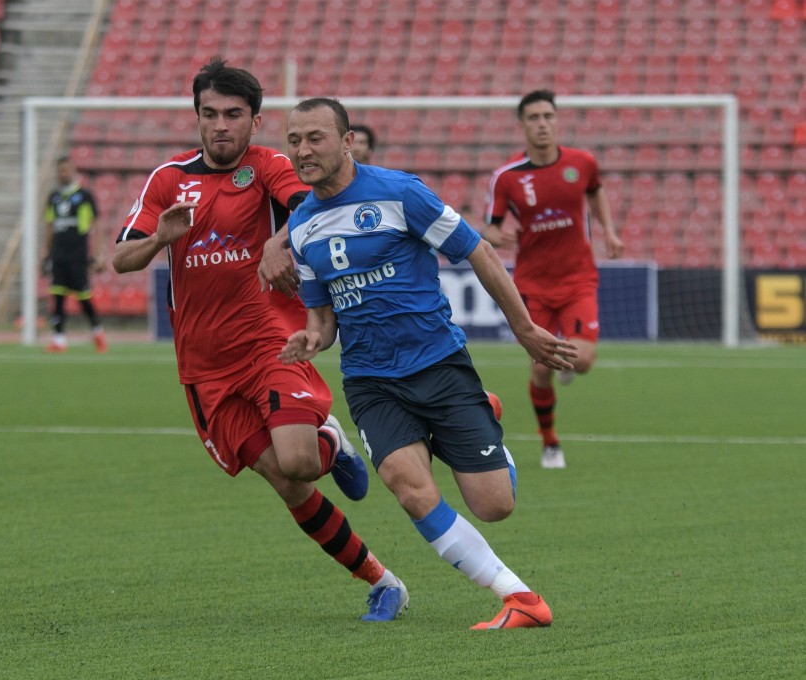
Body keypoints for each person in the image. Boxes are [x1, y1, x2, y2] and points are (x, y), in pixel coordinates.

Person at [111, 58, 407, 621]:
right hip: (203, 368)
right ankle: (383, 581)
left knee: (297, 461)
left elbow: (311, 205)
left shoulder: (270, 165)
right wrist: (159, 242)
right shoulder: (168, 180)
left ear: (254, 121)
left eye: (233, 115)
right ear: (196, 117)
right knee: (286, 483)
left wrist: (278, 241)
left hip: (269, 341)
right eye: (209, 114)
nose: (220, 125)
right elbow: (121, 257)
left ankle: (327, 441)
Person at [280, 97, 577, 630]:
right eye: (294, 140)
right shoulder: (300, 229)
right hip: (370, 380)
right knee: (409, 487)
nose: (303, 151)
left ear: (347, 141)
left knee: (494, 506)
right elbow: (322, 320)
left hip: (437, 364)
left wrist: (525, 328)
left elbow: (479, 252)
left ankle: (484, 415)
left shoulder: (400, 193)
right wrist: (311, 339)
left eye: (315, 138)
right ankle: (520, 597)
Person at [483, 89, 624, 469]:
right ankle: (550, 442)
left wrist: (609, 231)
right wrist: (502, 236)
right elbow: (490, 229)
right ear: (523, 125)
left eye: (548, 116)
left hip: (578, 277)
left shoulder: (582, 162)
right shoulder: (507, 177)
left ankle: (568, 364)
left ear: (557, 120)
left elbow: (596, 194)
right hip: (532, 285)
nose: (542, 124)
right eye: (534, 118)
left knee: (584, 360)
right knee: (542, 367)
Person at [41, 156, 108, 353]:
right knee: (58, 296)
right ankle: (59, 339)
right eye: (60, 170)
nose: (63, 174)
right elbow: (50, 226)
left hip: (78, 255)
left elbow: (96, 224)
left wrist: (99, 254)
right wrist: (45, 252)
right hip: (58, 255)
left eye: (66, 170)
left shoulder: (84, 196)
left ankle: (98, 331)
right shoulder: (53, 197)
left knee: (83, 296)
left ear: (73, 171)